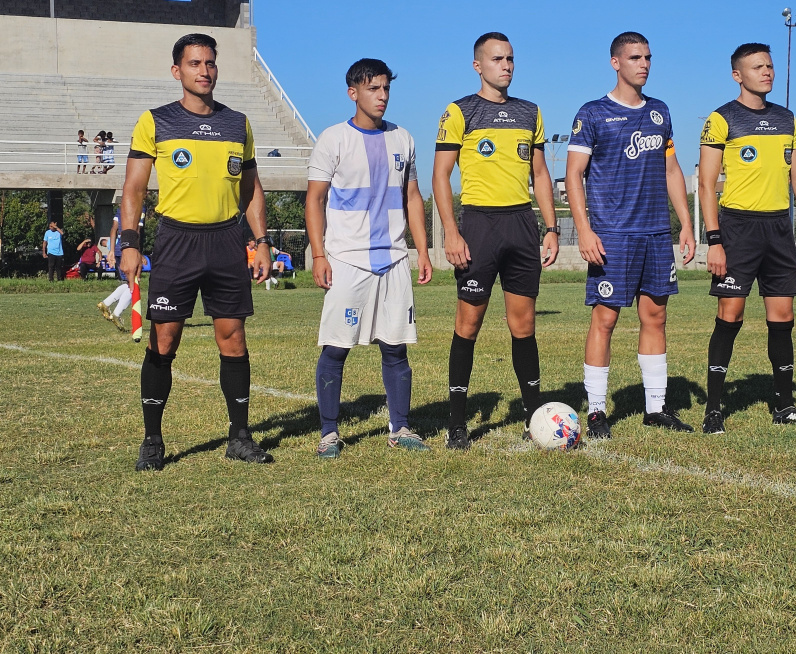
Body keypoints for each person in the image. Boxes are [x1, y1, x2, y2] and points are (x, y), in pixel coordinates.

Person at [119, 32, 274, 471]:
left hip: (226, 241)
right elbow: (132, 188)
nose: (204, 71)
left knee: (233, 339)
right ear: (177, 71)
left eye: (210, 63)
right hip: (176, 241)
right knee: (164, 339)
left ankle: (239, 437)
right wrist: (130, 243)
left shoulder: (237, 123)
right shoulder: (155, 121)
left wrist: (260, 241)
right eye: (194, 64)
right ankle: (152, 439)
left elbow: (251, 188)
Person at [566, 31, 696, 439]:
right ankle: (598, 410)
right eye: (635, 57)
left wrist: (687, 224)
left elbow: (672, 170)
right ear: (615, 62)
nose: (644, 64)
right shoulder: (592, 113)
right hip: (612, 235)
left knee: (655, 316)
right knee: (605, 319)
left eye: (648, 57)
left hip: (656, 234)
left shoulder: (660, 111)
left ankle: (655, 408)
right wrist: (584, 230)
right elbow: (573, 175)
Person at [432, 32, 560, 450]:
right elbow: (440, 176)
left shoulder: (530, 112)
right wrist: (451, 231)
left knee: (523, 325)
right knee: (467, 325)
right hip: (479, 227)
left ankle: (534, 417)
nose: (506, 65)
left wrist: (551, 227)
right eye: (497, 59)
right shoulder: (460, 111)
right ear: (478, 66)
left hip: (522, 226)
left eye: (510, 59)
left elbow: (540, 175)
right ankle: (457, 424)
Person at [305, 58, 433, 458]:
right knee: (336, 347)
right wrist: (320, 254)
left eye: (386, 89)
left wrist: (422, 250)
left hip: (394, 260)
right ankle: (329, 433)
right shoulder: (333, 139)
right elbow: (316, 198)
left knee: (396, 347)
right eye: (373, 88)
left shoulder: (404, 139)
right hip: (347, 260)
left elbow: (412, 197)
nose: (382, 96)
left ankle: (401, 428)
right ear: (353, 93)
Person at [698, 42, 796, 434]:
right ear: (738, 75)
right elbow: (705, 184)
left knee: (782, 317)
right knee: (729, 315)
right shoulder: (721, 119)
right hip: (737, 230)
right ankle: (714, 409)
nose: (766, 72)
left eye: (769, 66)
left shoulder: (787, 119)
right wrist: (713, 239)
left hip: (778, 231)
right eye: (757, 67)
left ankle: (784, 407)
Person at [100, 207, 136, 331]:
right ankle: (116, 314)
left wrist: (111, 251)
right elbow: (137, 231)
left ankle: (105, 304)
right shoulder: (139, 206)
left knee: (129, 283)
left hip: (119, 249)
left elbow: (113, 229)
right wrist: (137, 251)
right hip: (130, 249)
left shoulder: (120, 209)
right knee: (134, 284)